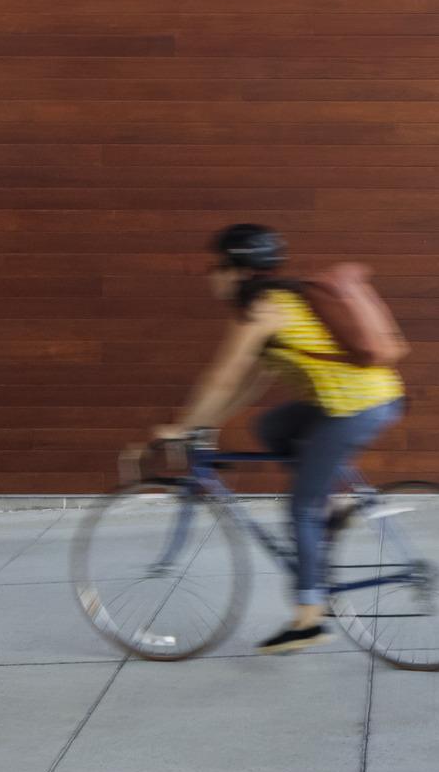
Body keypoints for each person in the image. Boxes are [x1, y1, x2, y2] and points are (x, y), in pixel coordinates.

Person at [150, 223, 405, 653]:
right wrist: (207, 424)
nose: (212, 276)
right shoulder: (282, 300)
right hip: (358, 399)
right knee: (271, 427)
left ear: (235, 270)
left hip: (354, 407)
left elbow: (222, 377)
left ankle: (308, 618)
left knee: (301, 509)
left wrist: (181, 426)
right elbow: (252, 382)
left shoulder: (262, 310)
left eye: (216, 267)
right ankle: (336, 501)